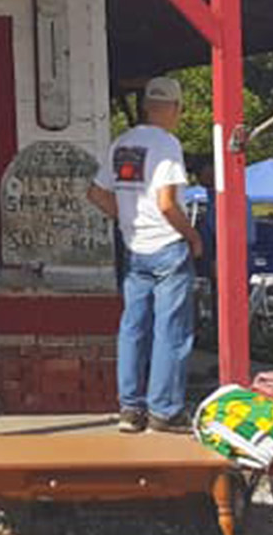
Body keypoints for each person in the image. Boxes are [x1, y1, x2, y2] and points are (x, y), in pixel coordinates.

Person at [88, 76, 203, 433]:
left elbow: (95, 193)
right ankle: (164, 410)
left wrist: (127, 218)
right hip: (167, 245)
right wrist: (193, 236)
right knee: (172, 330)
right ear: (173, 108)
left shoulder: (122, 144)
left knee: (133, 327)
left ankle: (129, 409)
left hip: (134, 246)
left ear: (145, 106)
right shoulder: (167, 144)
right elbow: (167, 203)